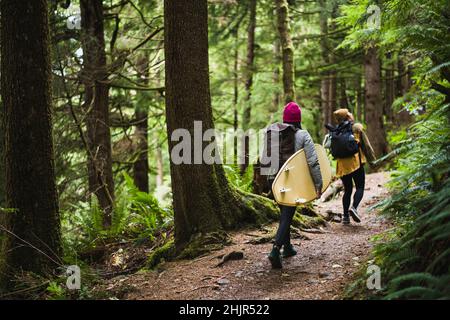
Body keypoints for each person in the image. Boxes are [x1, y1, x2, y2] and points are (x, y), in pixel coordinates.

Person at [266, 102, 323, 269]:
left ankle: (288, 248)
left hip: (273, 179)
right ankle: (275, 250)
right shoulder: (303, 135)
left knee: (285, 212)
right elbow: (313, 162)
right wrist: (319, 184)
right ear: (298, 119)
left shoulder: (274, 132)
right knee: (287, 214)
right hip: (290, 180)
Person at [333, 108, 376, 225]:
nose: (351, 114)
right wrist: (373, 162)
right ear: (347, 117)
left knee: (347, 190)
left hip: (342, 166)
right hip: (355, 163)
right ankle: (354, 208)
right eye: (349, 113)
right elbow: (366, 146)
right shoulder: (356, 127)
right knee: (360, 187)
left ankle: (345, 217)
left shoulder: (336, 130)